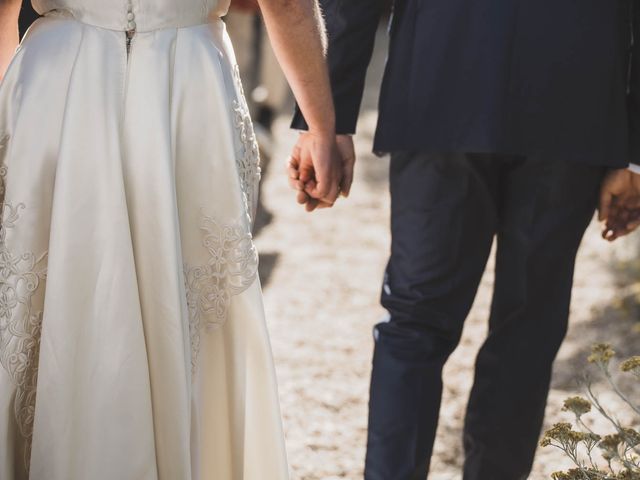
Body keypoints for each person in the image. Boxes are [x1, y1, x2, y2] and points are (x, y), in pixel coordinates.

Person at [290, 0, 640, 479]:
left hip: (442, 86)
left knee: (420, 322)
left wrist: (327, 119)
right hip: (569, 102)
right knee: (526, 327)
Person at [0, 0, 341, 479]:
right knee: (188, 311)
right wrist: (321, 127)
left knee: (51, 290)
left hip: (57, 87)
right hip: (186, 85)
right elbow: (284, 4)